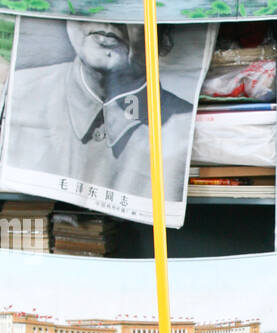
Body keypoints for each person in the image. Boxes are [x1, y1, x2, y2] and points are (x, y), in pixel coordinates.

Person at [6, 19, 191, 201]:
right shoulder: (17, 93)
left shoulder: (185, 123)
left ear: (165, 39)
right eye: (90, 2)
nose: (108, 21)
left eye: (130, 9)